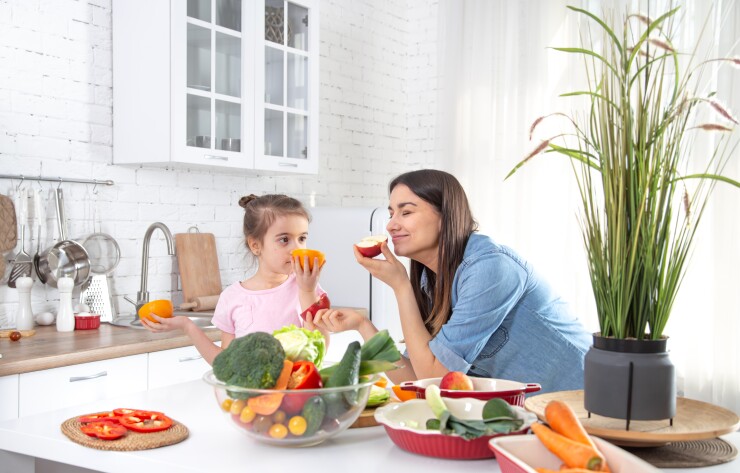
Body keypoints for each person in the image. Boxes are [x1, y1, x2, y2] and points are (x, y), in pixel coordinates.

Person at [313, 169, 591, 393]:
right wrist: (363, 326)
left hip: (586, 403)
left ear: (446, 216)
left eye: (406, 212)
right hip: (533, 413)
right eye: (391, 213)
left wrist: (400, 286)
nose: (390, 225)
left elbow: (432, 377)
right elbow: (412, 380)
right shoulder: (430, 282)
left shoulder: (490, 268)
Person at [141, 194, 328, 365]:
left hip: (298, 395)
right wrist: (187, 326)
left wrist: (307, 291)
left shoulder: (307, 288)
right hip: (250, 399)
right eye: (284, 240)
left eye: (302, 238)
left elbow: (321, 348)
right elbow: (225, 363)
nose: (297, 249)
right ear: (255, 245)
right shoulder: (232, 297)